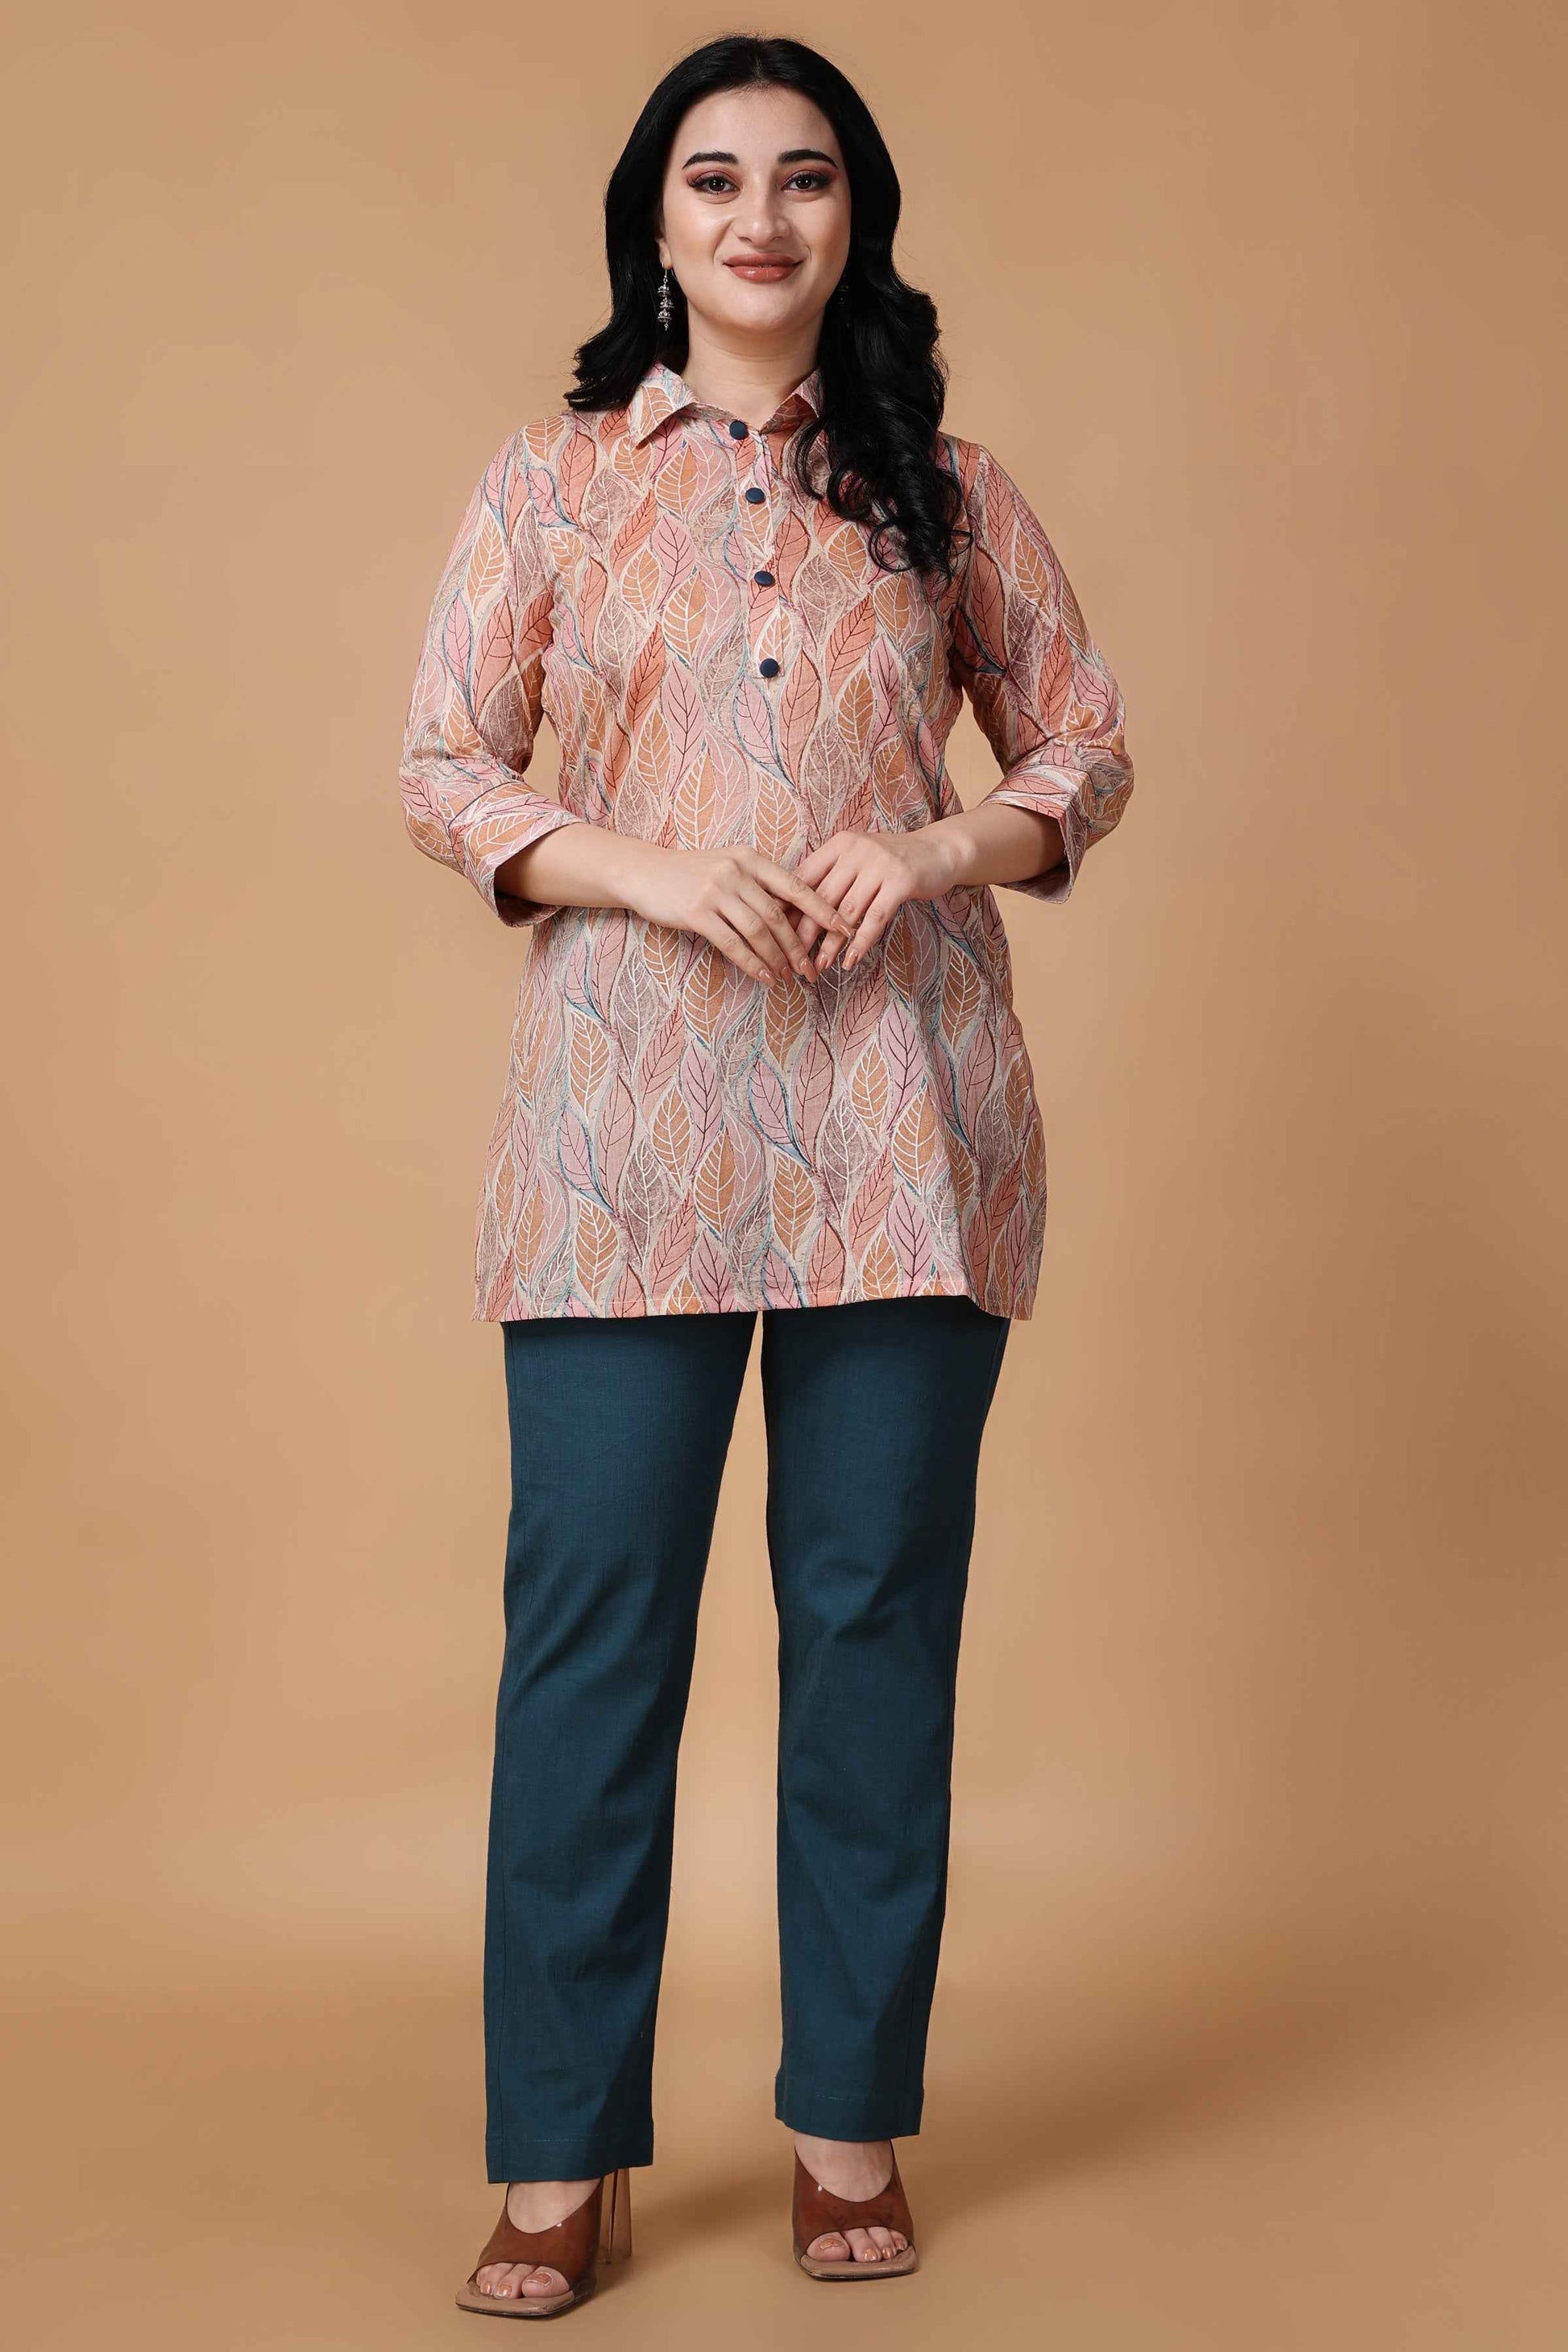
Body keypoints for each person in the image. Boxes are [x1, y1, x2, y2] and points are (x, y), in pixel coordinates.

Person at [397, 30, 1134, 2320]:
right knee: (589, 1646)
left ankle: (846, 2126)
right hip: (617, 1149)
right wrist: (636, 867)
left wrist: (930, 848)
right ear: (655, 218)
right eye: (713, 178)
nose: (758, 217)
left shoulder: (948, 489)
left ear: (853, 220)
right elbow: (440, 764)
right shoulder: (550, 484)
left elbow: (1084, 749)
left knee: (872, 1630)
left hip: (901, 1143)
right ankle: (558, 2156)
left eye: (804, 178)